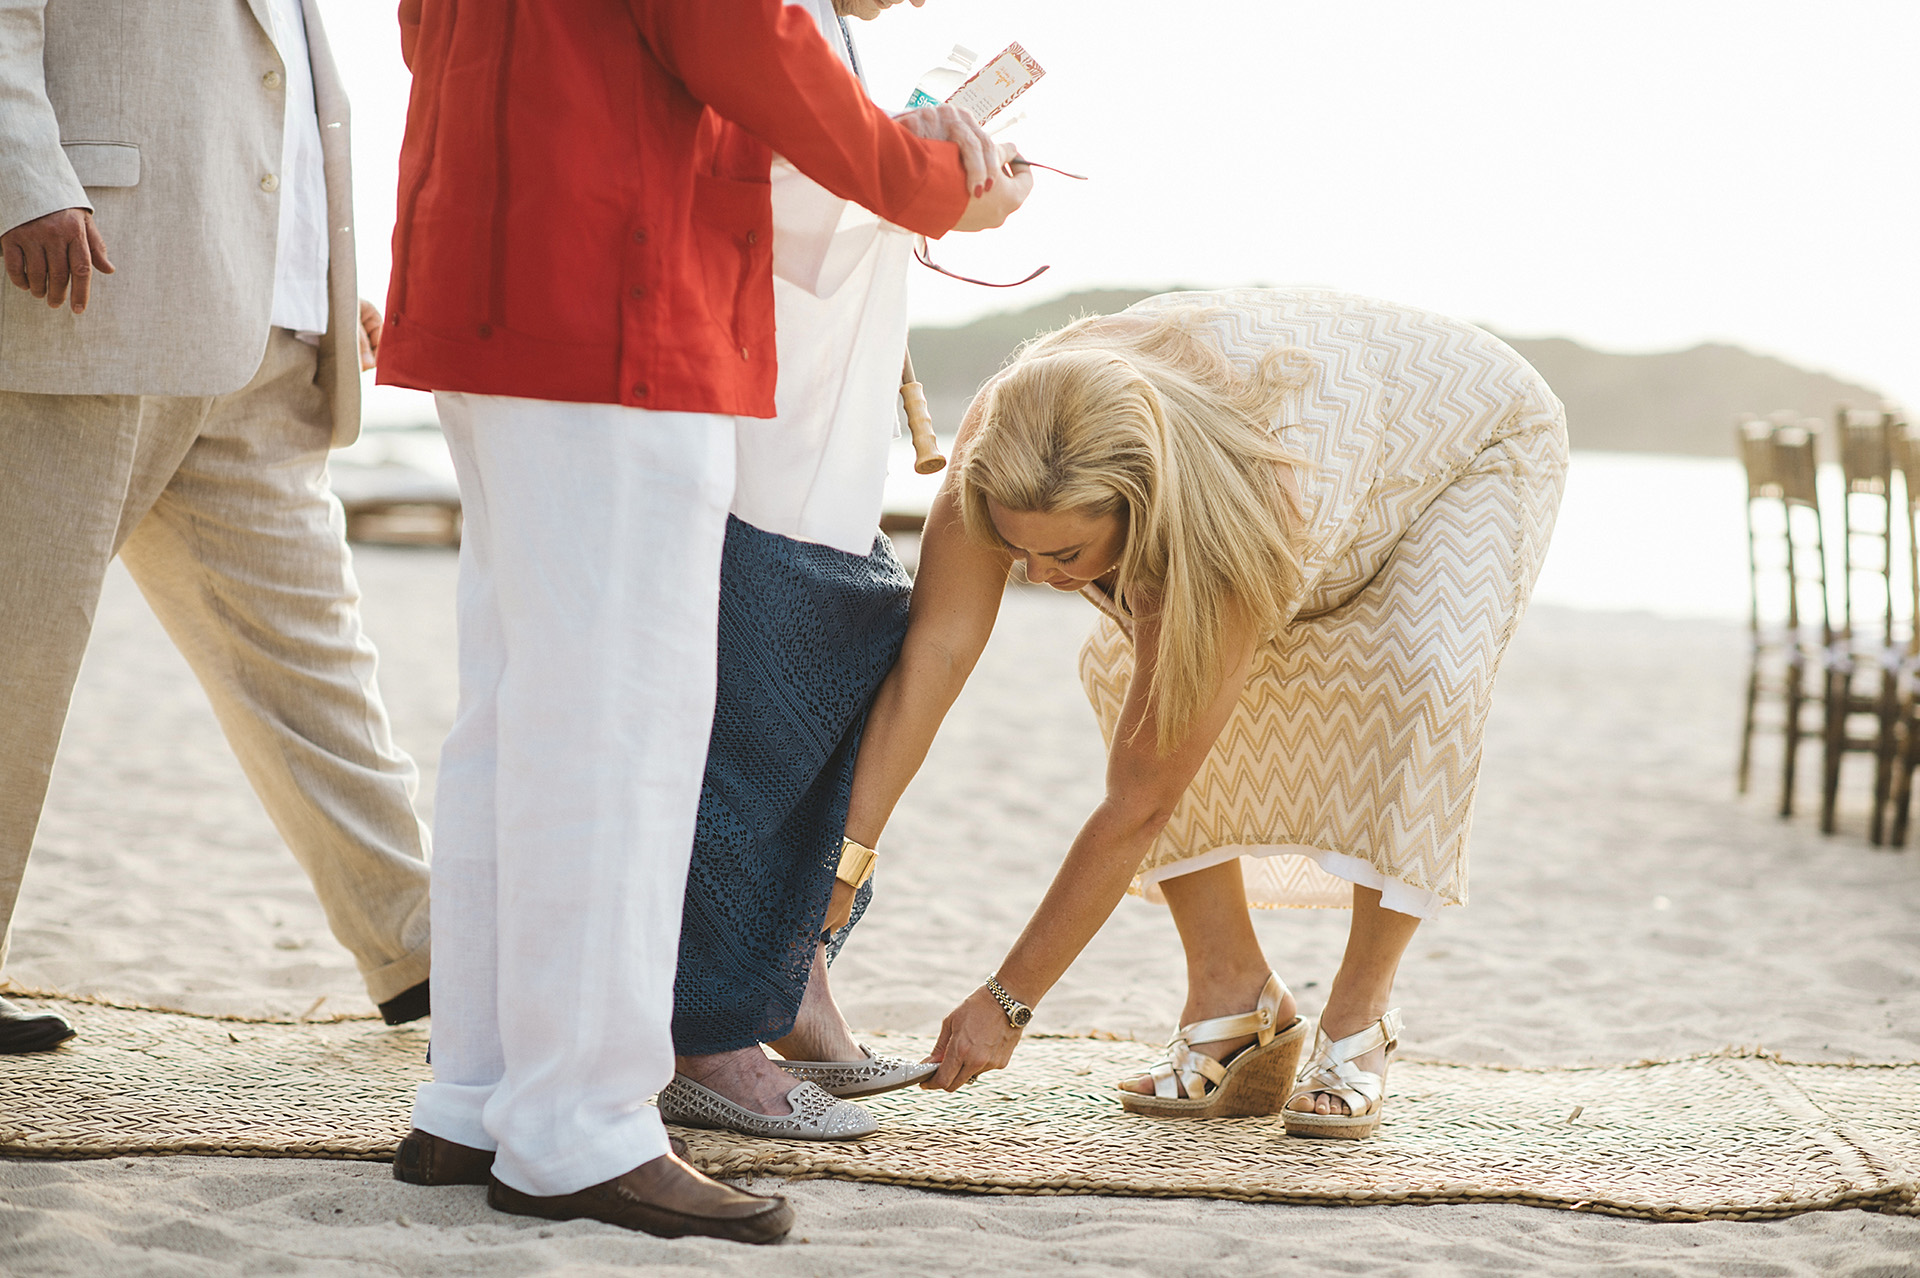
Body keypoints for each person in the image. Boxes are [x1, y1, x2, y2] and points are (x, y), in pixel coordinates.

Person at [377, 0, 1028, 1243]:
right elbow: (754, 43)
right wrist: (939, 176)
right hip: (620, 296)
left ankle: (475, 1094)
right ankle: (580, 1128)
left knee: (513, 718)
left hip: (483, 276)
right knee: (622, 737)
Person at [830, 288, 1567, 1139]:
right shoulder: (1007, 437)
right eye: (1014, 548)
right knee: (1126, 672)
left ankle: (1358, 1017)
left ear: (1141, 501)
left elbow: (1140, 800)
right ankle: (1235, 996)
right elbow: (938, 653)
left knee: (1416, 678)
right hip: (1323, 427)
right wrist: (846, 861)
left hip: (1465, 430)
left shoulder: (1241, 504)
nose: (1034, 576)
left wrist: (1009, 1002)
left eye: (1064, 553)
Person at [0, 0, 433, 1056]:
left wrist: (322, 282)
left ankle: (422, 950)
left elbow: (267, 89)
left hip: (260, 329)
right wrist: (24, 181)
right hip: (88, 296)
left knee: (313, 661)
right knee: (13, 666)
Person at [660, 0, 948, 1143]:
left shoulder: (831, 26)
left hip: (821, 427)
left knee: (823, 715)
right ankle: (710, 1032)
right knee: (751, 738)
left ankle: (790, 993)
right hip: (760, 417)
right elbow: (802, 206)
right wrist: (944, 177)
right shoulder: (771, 21)